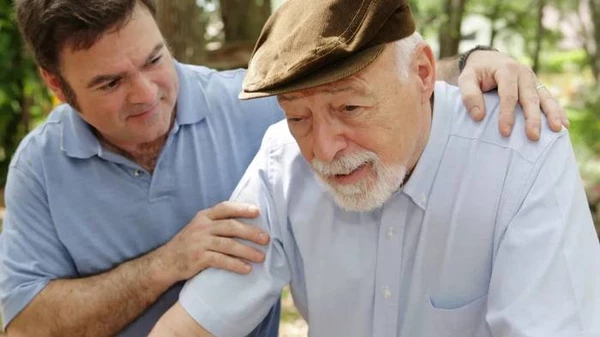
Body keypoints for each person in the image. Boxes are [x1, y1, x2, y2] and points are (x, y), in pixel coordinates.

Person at [0, 0, 568, 336]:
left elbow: (376, 72)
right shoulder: (39, 171)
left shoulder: (252, 116)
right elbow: (20, 321)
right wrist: (166, 263)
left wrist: (477, 61)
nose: (320, 148)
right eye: (109, 82)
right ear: (57, 84)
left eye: (154, 60)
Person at [150, 0, 600, 336]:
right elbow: (195, 323)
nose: (323, 150)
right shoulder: (280, 162)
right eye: (298, 117)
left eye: (349, 106)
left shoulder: (521, 154)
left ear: (423, 74)